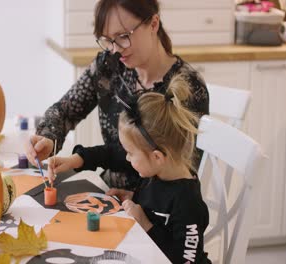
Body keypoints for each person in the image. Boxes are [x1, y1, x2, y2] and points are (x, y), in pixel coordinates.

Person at [25, 0, 209, 189]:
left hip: (157, 210)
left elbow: (185, 172)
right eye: (107, 39)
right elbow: (65, 111)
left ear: (153, 24)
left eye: (122, 36)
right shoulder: (109, 67)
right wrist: (47, 138)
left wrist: (136, 200)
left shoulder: (188, 87)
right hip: (108, 192)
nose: (115, 49)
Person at [47, 74, 211, 264]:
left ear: (157, 157)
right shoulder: (157, 170)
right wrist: (77, 160)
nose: (126, 158)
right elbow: (112, 154)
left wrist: (145, 223)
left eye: (130, 154)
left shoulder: (187, 202)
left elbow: (184, 259)